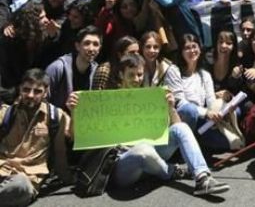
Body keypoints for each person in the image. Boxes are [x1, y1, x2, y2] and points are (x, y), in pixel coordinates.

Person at [66, 53, 230, 197]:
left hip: (153, 153)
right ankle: (172, 171)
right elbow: (75, 138)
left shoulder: (150, 97)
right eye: (131, 75)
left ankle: (203, 178)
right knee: (143, 151)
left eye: (139, 75)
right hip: (122, 164)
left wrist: (170, 107)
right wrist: (74, 112)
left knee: (181, 128)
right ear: (121, 74)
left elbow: (178, 127)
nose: (137, 79)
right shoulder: (104, 101)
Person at [0, 69, 72, 206]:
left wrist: (68, 178)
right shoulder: (6, 113)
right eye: (26, 90)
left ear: (46, 92)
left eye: (37, 91)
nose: (31, 95)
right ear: (20, 89)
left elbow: (60, 152)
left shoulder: (55, 116)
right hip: (2, 170)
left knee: (20, 185)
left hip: (26, 178)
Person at [169, 34, 239, 151]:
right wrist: (207, 113)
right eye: (187, 48)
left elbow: (211, 101)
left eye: (194, 47)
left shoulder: (204, 74)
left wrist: (223, 110)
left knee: (229, 141)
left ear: (200, 49)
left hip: (201, 121)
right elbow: (180, 103)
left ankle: (198, 141)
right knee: (189, 110)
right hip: (182, 119)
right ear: (181, 51)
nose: (192, 51)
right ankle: (184, 147)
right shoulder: (174, 71)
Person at [45, 26, 102, 110]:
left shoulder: (97, 71)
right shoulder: (58, 68)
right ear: (77, 46)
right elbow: (42, 99)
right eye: (87, 43)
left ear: (99, 48)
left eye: (95, 44)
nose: (91, 49)